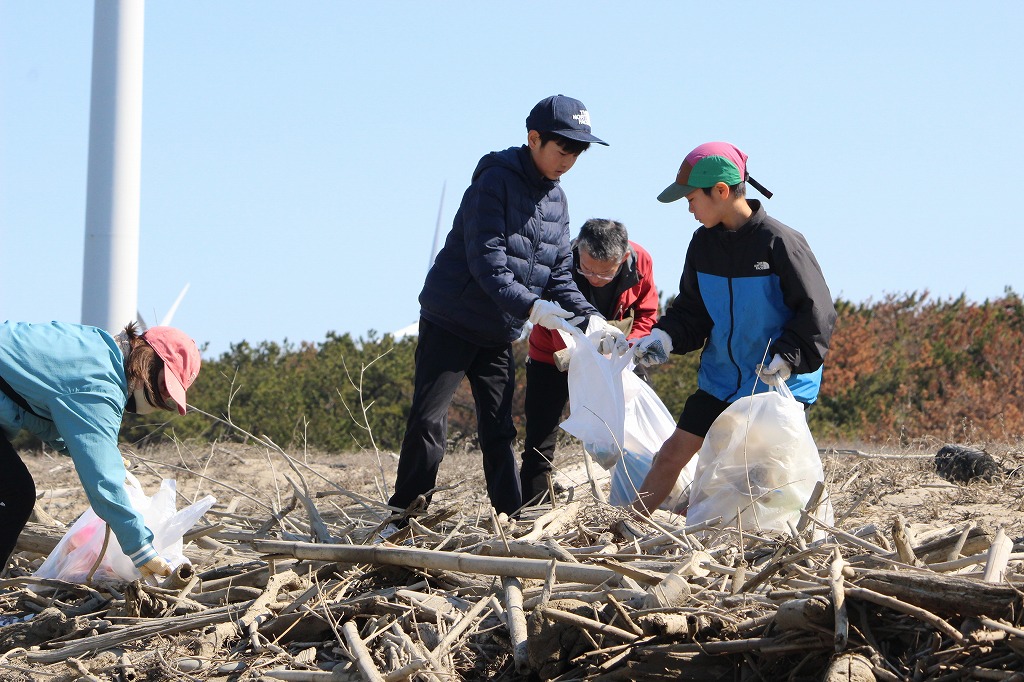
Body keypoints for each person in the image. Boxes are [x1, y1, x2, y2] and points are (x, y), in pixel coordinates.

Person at [387, 94, 624, 525]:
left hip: (498, 329)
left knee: (499, 430)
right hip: (452, 319)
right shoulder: (494, 182)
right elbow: (486, 262)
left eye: (578, 152)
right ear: (534, 138)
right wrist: (534, 308)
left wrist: (589, 318)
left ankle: (509, 520)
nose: (568, 160)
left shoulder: (558, 201)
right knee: (429, 420)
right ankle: (404, 516)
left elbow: (557, 273)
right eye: (563, 148)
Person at [630, 141, 837, 515]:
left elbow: (817, 312)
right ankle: (623, 529)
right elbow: (693, 311)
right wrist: (664, 337)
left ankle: (764, 546)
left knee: (755, 478)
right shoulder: (702, 244)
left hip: (776, 384)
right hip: (721, 379)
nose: (689, 208)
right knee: (672, 453)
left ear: (721, 191)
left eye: (691, 198)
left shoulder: (781, 242)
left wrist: (788, 358)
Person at [0, 320, 201, 581]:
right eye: (164, 387)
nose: (162, 400)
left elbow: (37, 414)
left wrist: (94, 452)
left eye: (169, 397)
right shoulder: (100, 383)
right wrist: (140, 548)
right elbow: (103, 482)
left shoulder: (98, 349)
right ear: (148, 360)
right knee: (16, 493)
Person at [520, 218, 659, 505]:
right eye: (587, 269)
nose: (594, 278)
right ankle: (534, 507)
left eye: (605, 274)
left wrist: (632, 345)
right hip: (554, 355)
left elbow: (647, 314)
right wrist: (584, 350)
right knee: (540, 436)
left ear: (624, 258)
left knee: (634, 431)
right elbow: (551, 315)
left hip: (619, 359)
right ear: (578, 251)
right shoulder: (559, 264)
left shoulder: (641, 261)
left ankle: (640, 499)